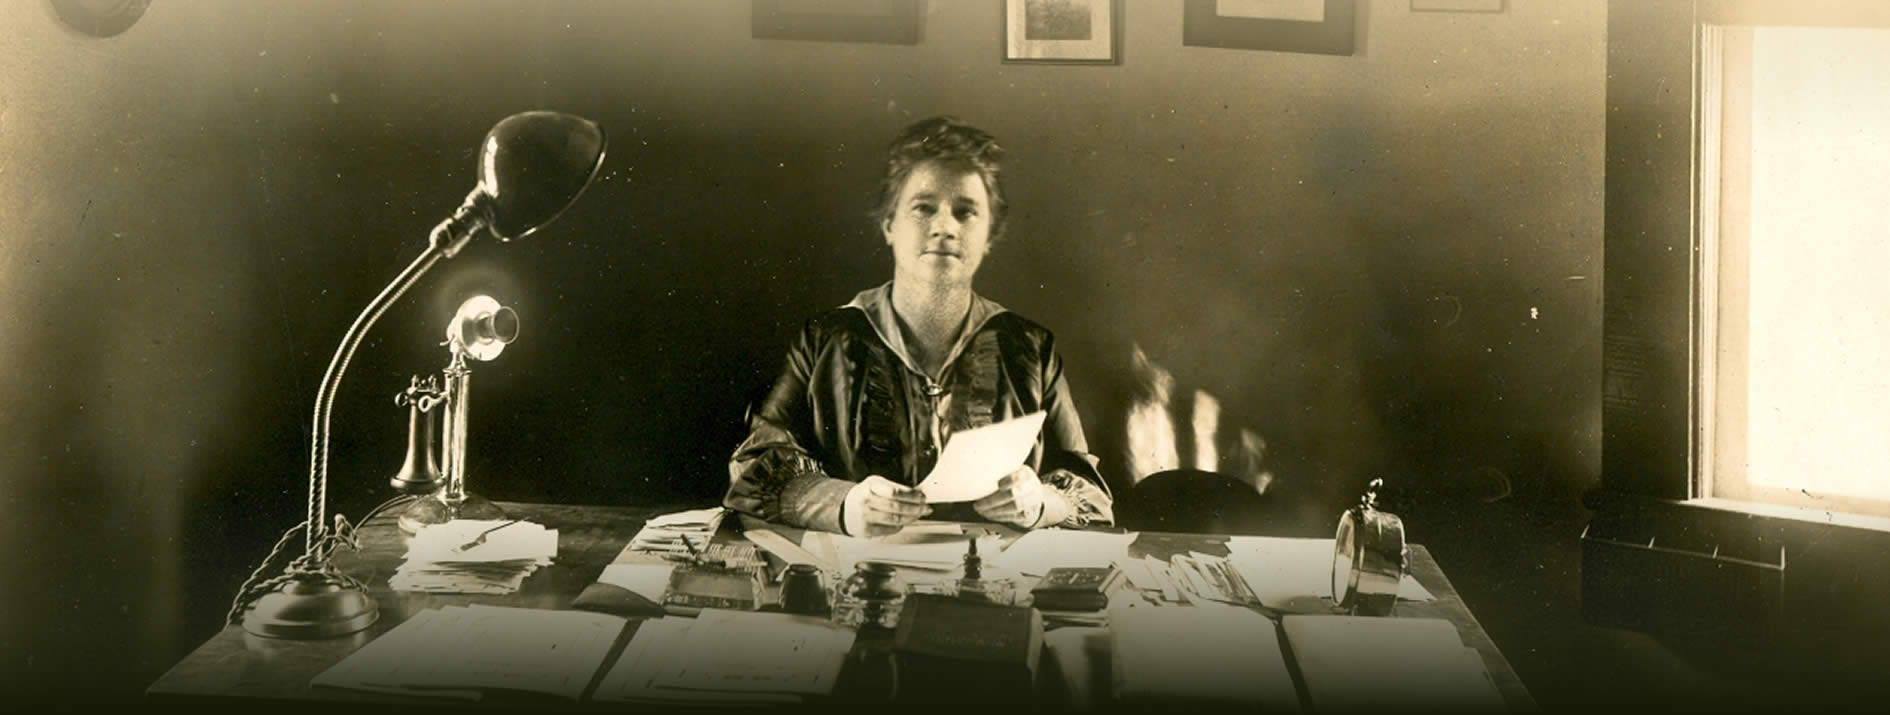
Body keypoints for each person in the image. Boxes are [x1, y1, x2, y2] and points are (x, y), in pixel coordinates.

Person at [725, 116, 1114, 537]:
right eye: (923, 208)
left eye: (966, 212)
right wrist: (845, 503)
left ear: (989, 236)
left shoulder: (1030, 348)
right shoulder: (825, 340)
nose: (944, 227)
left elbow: (1090, 493)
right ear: (889, 225)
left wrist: (1039, 502)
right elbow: (754, 471)